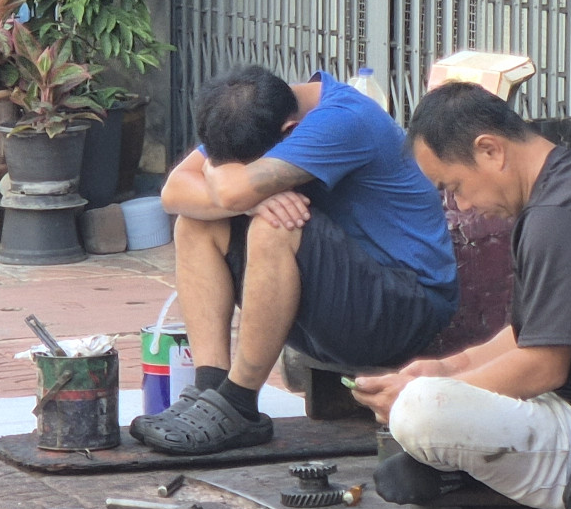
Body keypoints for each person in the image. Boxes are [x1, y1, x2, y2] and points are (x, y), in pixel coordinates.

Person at [351, 82, 571, 509]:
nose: (462, 205)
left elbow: (542, 366)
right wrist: (448, 367)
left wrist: (429, 392)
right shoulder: (562, 193)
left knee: (420, 410)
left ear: (490, 150)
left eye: (455, 186)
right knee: (425, 401)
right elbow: (530, 333)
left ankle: (451, 464)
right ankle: (453, 461)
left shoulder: (559, 213)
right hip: (569, 415)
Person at [133, 65, 458, 455]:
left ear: (290, 131)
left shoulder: (343, 120)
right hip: (337, 304)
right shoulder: (251, 110)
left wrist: (231, 185)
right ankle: (210, 389)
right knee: (195, 223)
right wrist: (247, 195)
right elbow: (173, 193)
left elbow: (231, 192)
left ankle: (239, 404)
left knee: (276, 225)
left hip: (403, 312)